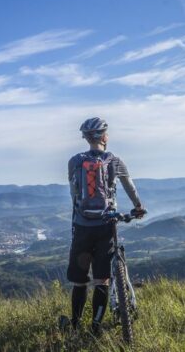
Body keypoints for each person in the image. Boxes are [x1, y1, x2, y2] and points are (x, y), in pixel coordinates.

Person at [66, 117, 145, 335]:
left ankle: (74, 326)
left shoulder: (74, 162)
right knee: (102, 279)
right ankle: (96, 326)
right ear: (105, 137)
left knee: (80, 281)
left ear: (86, 138)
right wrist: (138, 207)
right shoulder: (115, 161)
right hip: (106, 226)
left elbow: (74, 193)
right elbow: (130, 188)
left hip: (82, 226)